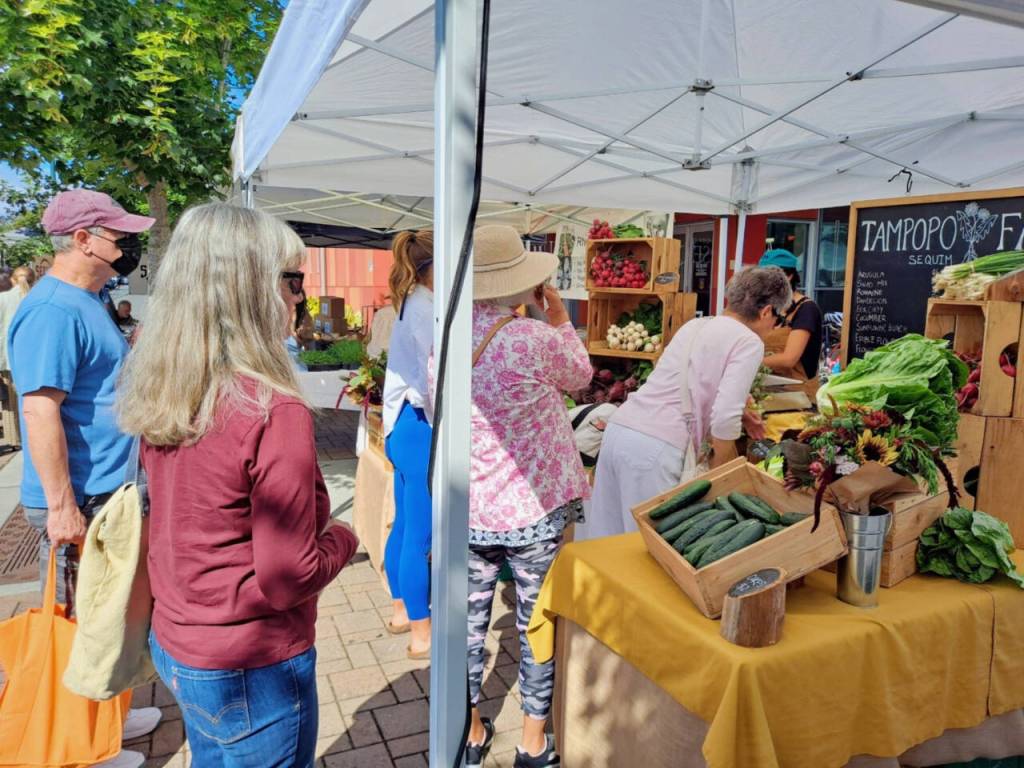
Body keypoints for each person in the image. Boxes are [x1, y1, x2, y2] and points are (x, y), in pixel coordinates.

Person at [117, 203, 360, 766]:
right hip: (251, 660)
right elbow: (289, 576)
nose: (299, 297)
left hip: (180, 640)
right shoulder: (272, 408)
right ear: (253, 288)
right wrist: (345, 536)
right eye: (292, 280)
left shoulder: (168, 384)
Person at [7, 189, 161, 768]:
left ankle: (108, 714)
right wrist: (61, 506)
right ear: (82, 239)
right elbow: (39, 410)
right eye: (119, 237)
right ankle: (79, 751)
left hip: (107, 492)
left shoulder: (87, 301)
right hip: (83, 499)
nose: (127, 247)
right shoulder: (53, 311)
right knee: (80, 624)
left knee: (109, 616)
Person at [464, 225, 592, 768]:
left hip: (469, 506)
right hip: (531, 508)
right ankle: (533, 742)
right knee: (536, 622)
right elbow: (582, 376)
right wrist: (558, 318)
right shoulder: (531, 338)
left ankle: (470, 733)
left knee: (468, 625)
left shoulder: (447, 337)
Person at [579, 267, 792, 540]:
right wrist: (724, 476)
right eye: (778, 318)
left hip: (620, 430)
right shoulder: (749, 341)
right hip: (656, 448)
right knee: (646, 548)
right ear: (766, 312)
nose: (776, 326)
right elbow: (724, 416)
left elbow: (688, 378)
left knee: (606, 542)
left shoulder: (695, 325)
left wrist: (742, 411)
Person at [380, 230, 434, 658]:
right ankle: (422, 633)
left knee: (403, 525)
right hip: (420, 426)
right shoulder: (426, 308)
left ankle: (401, 611)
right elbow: (433, 380)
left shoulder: (409, 301)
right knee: (419, 533)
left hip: (401, 425)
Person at [759, 248, 824, 396]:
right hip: (767, 391)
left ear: (788, 276)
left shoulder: (807, 309)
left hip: (799, 395)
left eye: (767, 277)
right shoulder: (767, 309)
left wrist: (749, 362)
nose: (762, 283)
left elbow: (789, 359)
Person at [0, 266, 35, 448]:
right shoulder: (37, 299)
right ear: (33, 280)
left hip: (8, 357)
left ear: (12, 280)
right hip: (34, 357)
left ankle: (15, 439)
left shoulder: (3, 299)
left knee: (10, 401)